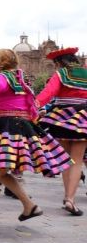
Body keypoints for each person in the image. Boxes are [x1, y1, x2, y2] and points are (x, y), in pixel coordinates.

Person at [0, 49, 72, 236]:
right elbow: (31, 104)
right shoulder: (21, 79)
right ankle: (29, 206)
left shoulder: (4, 77)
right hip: (21, 127)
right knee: (0, 170)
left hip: (5, 127)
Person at [36, 47, 87, 216]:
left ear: (59, 62)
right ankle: (70, 199)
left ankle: (67, 196)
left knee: (66, 160)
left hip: (61, 118)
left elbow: (48, 93)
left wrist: (33, 106)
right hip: (82, 118)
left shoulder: (61, 74)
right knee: (77, 160)